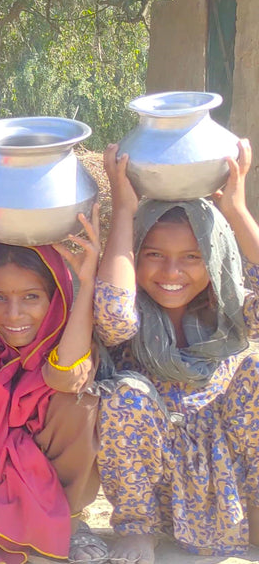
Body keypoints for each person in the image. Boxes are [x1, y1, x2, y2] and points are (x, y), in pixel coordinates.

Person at [95, 143, 259, 562]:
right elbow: (113, 314)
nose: (171, 273)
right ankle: (137, 529)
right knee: (124, 395)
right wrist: (125, 213)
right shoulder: (129, 311)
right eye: (153, 255)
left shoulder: (226, 310)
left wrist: (237, 212)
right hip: (152, 475)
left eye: (192, 257)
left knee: (254, 370)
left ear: (215, 258)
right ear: (135, 256)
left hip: (220, 471)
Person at [0, 187, 108, 563]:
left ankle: (72, 517)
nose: (14, 315)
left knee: (75, 398)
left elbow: (66, 377)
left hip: (49, 461)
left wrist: (86, 286)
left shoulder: (72, 336)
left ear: (55, 299)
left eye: (31, 297)